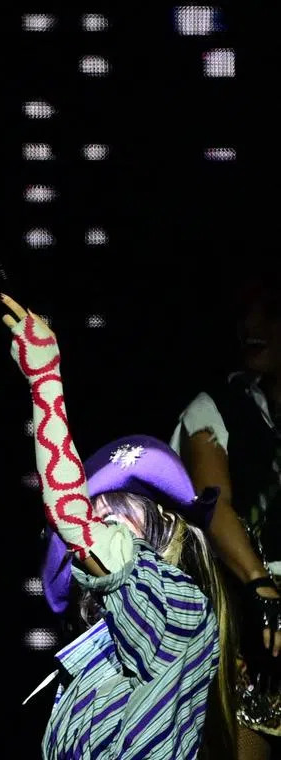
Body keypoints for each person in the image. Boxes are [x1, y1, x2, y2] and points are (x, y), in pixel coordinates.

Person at [2, 294, 236, 759]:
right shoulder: (95, 658)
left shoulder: (183, 613)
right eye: (101, 512)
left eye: (119, 515)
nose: (103, 529)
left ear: (172, 534)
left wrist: (45, 379)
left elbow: (72, 518)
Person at [170, 263, 281, 759]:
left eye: (269, 312)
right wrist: (260, 584)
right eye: (244, 313)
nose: (251, 325)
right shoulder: (212, 408)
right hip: (245, 626)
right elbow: (213, 506)